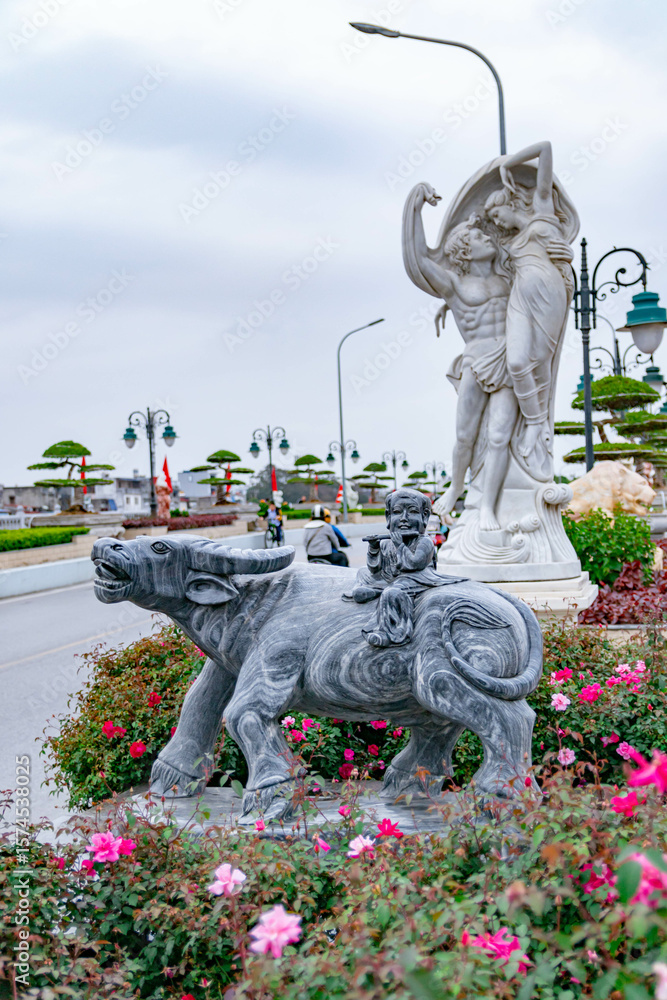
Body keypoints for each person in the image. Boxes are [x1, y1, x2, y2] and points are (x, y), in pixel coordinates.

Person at [484, 140, 574, 470]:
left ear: (509, 202)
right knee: (517, 361)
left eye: (496, 214)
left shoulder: (542, 207)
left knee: (539, 361)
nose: (496, 222)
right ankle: (534, 420)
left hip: (550, 292)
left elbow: (547, 147)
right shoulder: (506, 241)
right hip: (520, 297)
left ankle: (538, 427)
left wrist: (507, 164)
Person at [345, 489, 463, 647]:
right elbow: (375, 569)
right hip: (393, 578)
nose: (404, 519)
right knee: (362, 572)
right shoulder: (386, 542)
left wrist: (400, 545)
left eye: (413, 511)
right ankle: (375, 590)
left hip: (416, 578)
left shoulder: (424, 542)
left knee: (392, 592)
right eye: (397, 512)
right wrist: (374, 549)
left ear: (424, 516)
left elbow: (414, 565)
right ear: (388, 517)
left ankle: (393, 632)